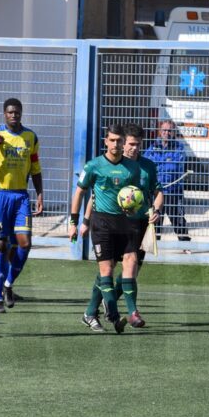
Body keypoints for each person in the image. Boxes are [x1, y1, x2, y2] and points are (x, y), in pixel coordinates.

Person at [82, 124, 163, 328]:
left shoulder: (147, 166)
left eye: (138, 145)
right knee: (109, 267)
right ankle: (126, 311)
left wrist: (156, 210)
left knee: (131, 268)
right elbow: (95, 195)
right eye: (131, 144)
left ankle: (98, 309)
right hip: (115, 222)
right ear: (122, 143)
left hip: (141, 224)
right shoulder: (111, 166)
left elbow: (158, 191)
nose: (134, 148)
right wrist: (84, 220)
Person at [68, 124, 141, 334]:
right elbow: (81, 193)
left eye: (119, 140)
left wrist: (135, 207)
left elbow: (131, 194)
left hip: (125, 223)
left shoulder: (132, 168)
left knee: (131, 262)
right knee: (107, 269)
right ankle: (113, 314)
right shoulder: (93, 166)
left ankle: (121, 312)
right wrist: (76, 222)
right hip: (102, 224)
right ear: (105, 141)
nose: (116, 144)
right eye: (112, 140)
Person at [0, 98, 44, 313]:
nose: (14, 115)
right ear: (4, 114)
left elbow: (35, 167)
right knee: (2, 246)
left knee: (24, 244)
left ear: (21, 113)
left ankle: (8, 284)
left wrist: (40, 193)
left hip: (21, 196)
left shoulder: (30, 137)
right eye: (10, 112)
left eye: (17, 112)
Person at [142, 120, 191, 242]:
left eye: (169, 130)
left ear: (173, 132)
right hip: (157, 192)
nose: (167, 133)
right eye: (164, 130)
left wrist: (158, 166)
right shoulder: (153, 147)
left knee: (178, 218)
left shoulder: (178, 148)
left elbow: (176, 166)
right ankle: (154, 243)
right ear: (160, 131)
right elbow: (145, 163)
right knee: (155, 218)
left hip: (173, 191)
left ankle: (185, 244)